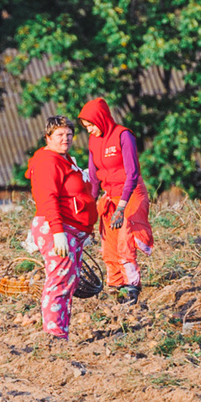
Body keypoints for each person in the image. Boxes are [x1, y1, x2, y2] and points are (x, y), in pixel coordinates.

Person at [25, 114, 98, 340]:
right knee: (58, 281)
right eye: (59, 134)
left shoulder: (64, 159)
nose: (65, 138)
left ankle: (61, 332)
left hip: (71, 228)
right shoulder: (48, 162)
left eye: (69, 134)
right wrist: (58, 233)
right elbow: (48, 199)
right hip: (56, 227)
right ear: (48, 137)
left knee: (68, 282)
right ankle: (53, 335)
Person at [78, 96, 152, 305]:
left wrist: (121, 208)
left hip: (130, 195)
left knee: (124, 243)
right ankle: (118, 289)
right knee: (109, 246)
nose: (89, 130)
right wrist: (90, 207)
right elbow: (94, 177)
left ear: (101, 119)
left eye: (91, 125)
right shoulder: (94, 141)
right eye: (86, 127)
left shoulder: (123, 135)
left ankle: (131, 288)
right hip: (110, 196)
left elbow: (132, 174)